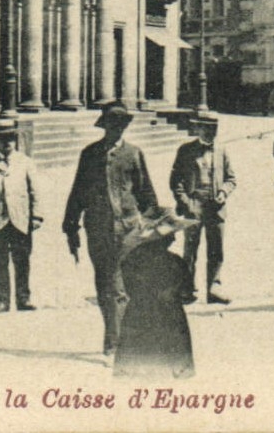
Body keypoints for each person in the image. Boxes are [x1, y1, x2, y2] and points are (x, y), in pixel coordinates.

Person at [63, 103, 158, 355]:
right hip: (97, 229)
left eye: (121, 125)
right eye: (112, 125)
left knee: (118, 285)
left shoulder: (134, 154)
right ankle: (115, 336)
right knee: (104, 285)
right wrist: (70, 225)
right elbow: (78, 193)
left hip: (127, 230)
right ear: (104, 126)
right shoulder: (90, 154)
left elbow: (147, 194)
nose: (116, 130)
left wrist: (150, 226)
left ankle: (115, 344)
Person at [114, 208, 198, 379]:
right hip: (171, 320)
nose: (174, 238)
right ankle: (181, 371)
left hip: (137, 318)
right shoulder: (177, 262)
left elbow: (126, 288)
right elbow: (187, 293)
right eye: (171, 235)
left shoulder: (130, 260)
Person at [0, 119, 43, 312]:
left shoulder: (25, 162)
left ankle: (23, 298)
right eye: (3, 138)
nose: (7, 143)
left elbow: (35, 190)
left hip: (21, 219)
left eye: (11, 138)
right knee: (0, 261)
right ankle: (2, 301)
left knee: (22, 260)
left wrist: (36, 216)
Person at [168, 109, 236, 304]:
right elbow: (176, 181)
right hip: (193, 206)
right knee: (190, 250)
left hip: (216, 208)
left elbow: (231, 178)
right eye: (205, 128)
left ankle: (214, 287)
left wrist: (224, 192)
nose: (210, 132)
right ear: (197, 128)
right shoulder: (185, 150)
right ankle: (186, 288)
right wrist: (186, 202)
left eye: (214, 128)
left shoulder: (222, 150)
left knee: (217, 249)